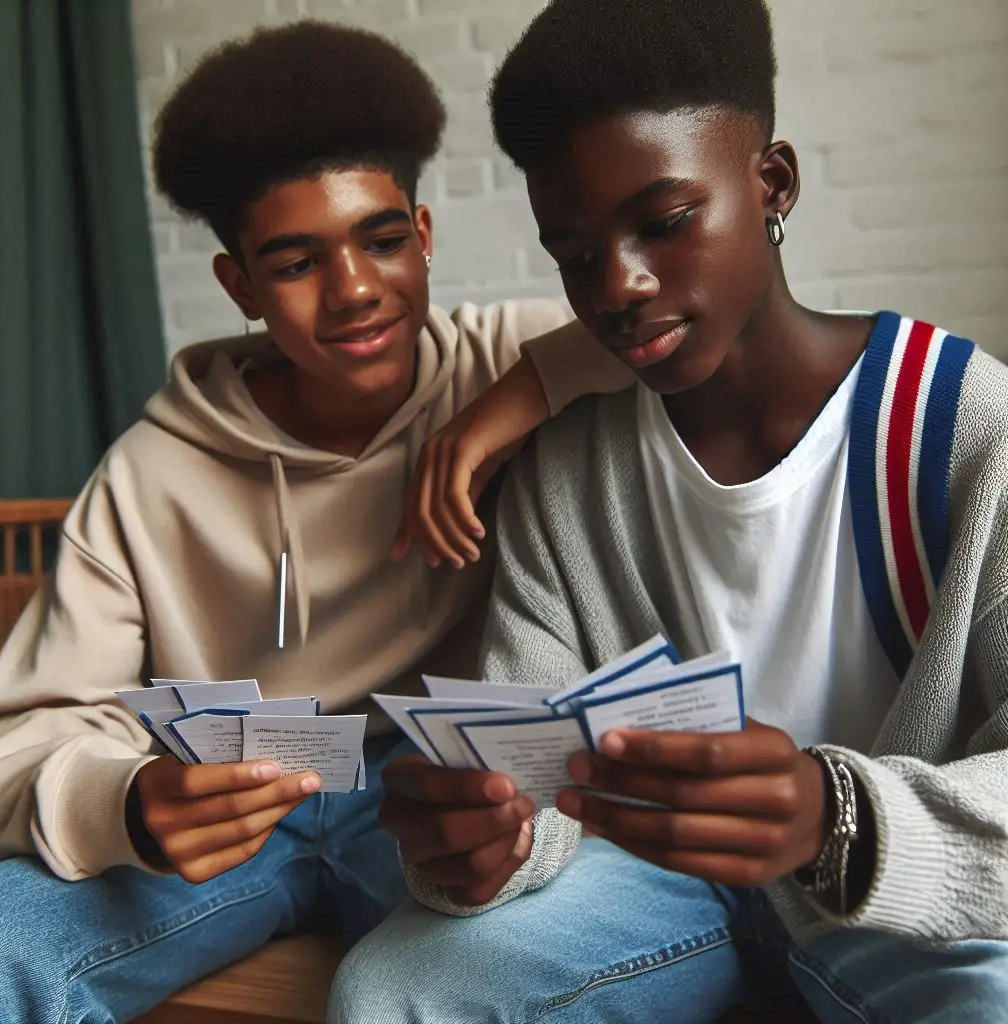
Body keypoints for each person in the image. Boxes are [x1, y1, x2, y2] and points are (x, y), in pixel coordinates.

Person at [329, 1, 1008, 1021]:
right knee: (391, 987)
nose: (620, 283)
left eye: (664, 220)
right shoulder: (568, 472)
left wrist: (832, 816)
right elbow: (536, 761)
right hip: (649, 887)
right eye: (573, 248)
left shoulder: (965, 427)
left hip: (894, 894)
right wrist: (487, 839)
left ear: (770, 182)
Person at [0, 21, 626, 1023]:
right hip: (234, 802)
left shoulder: (508, 357)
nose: (355, 291)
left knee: (525, 964)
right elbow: (17, 743)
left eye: (379, 241)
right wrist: (130, 803)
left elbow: (689, 313)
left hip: (430, 794)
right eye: (294, 264)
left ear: (422, 232)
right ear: (239, 285)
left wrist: (504, 407)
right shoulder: (149, 473)